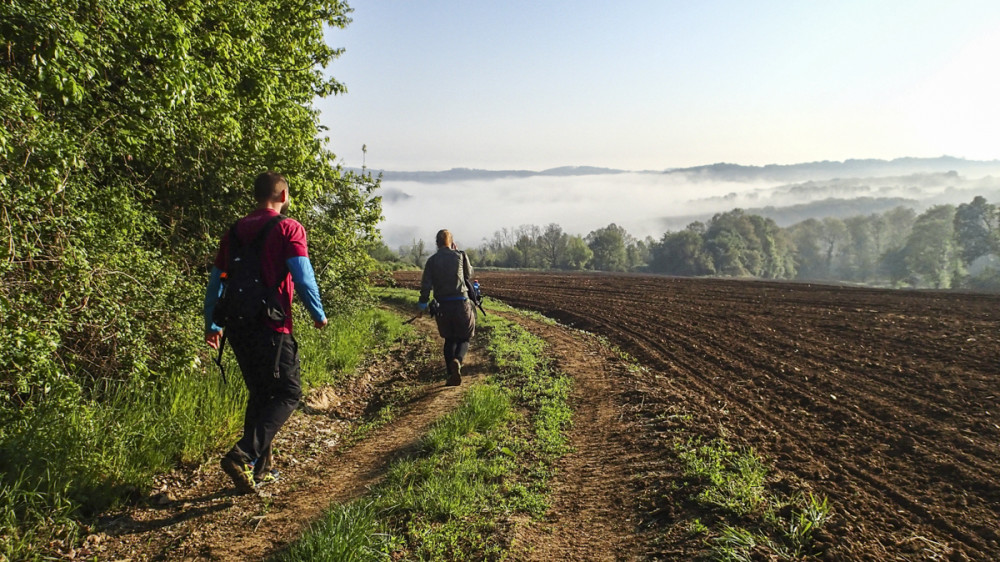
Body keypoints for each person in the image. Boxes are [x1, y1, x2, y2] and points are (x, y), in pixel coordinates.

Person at [203, 171, 328, 494]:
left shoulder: (234, 231)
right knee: (288, 392)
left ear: (256, 195)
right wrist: (318, 314)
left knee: (261, 394)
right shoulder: (289, 228)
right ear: (284, 196)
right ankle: (242, 455)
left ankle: (262, 470)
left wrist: (212, 324)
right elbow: (302, 277)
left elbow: (217, 281)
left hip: (237, 326)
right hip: (272, 325)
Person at [418, 229, 476, 386]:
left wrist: (422, 304)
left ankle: (451, 375)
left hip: (443, 305)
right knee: (464, 338)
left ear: (437, 244)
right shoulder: (460, 255)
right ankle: (458, 360)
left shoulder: (431, 261)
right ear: (451, 242)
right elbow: (468, 275)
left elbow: (426, 286)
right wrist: (456, 252)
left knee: (449, 340)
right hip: (461, 303)